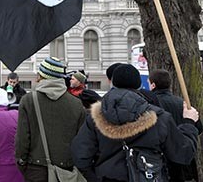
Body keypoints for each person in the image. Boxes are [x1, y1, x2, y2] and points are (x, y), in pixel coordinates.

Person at [72, 64, 200, 182]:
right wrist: (189, 123)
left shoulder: (95, 117)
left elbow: (80, 156)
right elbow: (183, 152)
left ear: (112, 83)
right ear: (139, 85)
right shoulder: (160, 118)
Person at [15, 57, 85, 182]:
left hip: (35, 169)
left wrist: (22, 164)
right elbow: (80, 141)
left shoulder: (28, 100)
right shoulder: (76, 104)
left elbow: (22, 139)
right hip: (66, 171)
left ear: (41, 76)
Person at [148, 69, 203, 181]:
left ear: (153, 85)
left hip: (165, 160)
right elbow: (199, 128)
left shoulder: (151, 105)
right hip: (184, 162)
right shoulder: (183, 103)